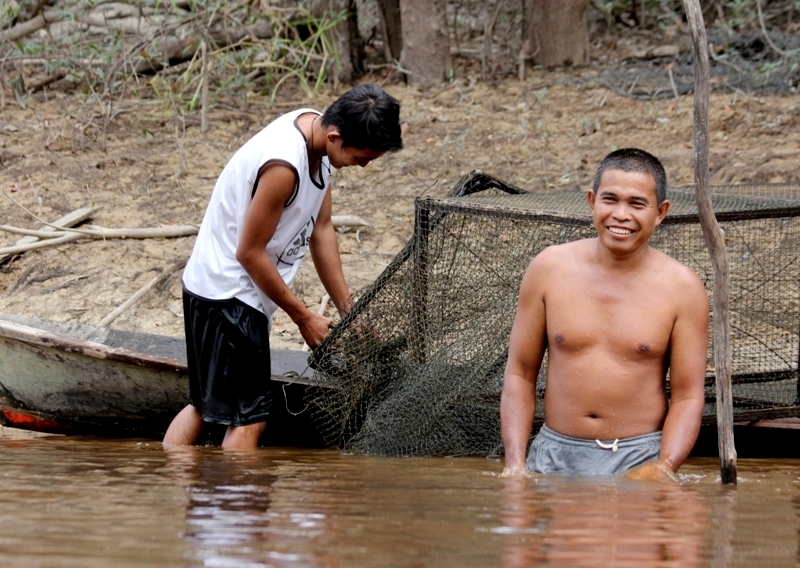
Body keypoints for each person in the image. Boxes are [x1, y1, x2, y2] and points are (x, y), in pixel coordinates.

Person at [163, 84, 404, 450]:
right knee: (251, 419)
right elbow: (249, 252)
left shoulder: (318, 137)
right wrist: (303, 317)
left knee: (206, 405)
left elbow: (321, 230)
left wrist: (348, 311)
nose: (364, 165)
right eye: (362, 157)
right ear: (336, 136)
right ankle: (239, 506)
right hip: (228, 292)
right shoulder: (283, 166)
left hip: (224, 289)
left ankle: (189, 493)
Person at [500, 148, 708, 480]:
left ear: (661, 212)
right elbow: (520, 374)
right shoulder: (549, 268)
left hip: (639, 458)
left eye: (637, 204)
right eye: (610, 200)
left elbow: (687, 395)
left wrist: (664, 467)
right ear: (592, 201)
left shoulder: (683, 288)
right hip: (553, 454)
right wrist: (515, 466)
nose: (621, 215)